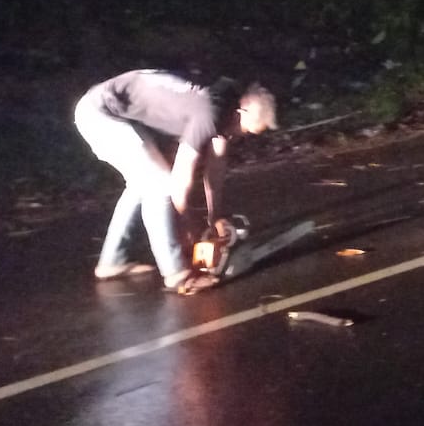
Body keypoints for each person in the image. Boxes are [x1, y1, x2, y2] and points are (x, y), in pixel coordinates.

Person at [74, 69, 278, 294]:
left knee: (141, 183)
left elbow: (216, 166)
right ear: (241, 112)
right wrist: (190, 230)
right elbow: (180, 182)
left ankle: (111, 262)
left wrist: (214, 218)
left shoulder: (228, 105)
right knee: (160, 184)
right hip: (99, 114)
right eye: (247, 130)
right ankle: (176, 275)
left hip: (115, 111)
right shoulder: (208, 114)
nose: (243, 136)